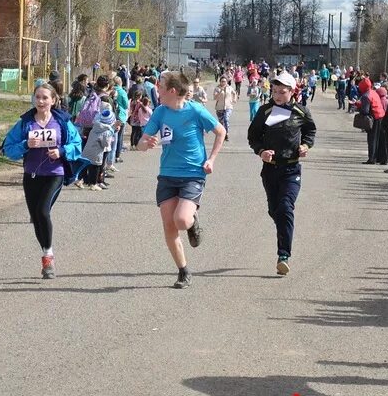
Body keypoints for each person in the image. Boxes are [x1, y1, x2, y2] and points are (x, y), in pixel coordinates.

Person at [138, 72, 226, 289]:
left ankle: (193, 221)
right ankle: (183, 271)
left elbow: (220, 132)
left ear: (172, 91)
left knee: (182, 220)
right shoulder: (160, 112)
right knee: (169, 226)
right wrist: (145, 144)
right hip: (167, 174)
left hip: (193, 174)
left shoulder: (195, 110)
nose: (157, 89)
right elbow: (141, 143)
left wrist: (212, 159)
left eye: (161, 87)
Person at [3, 83, 87, 278]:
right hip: (31, 175)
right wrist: (26, 144)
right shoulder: (25, 123)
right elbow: (9, 148)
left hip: (54, 173)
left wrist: (62, 151)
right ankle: (45, 252)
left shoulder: (62, 122)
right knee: (36, 217)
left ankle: (48, 257)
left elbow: (76, 144)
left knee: (42, 211)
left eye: (45, 98)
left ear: (53, 100)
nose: (40, 101)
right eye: (37, 97)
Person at [246, 70, 316, 275]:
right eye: (275, 91)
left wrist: (305, 145)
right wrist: (261, 151)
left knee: (285, 209)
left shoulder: (301, 112)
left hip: (291, 169)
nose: (277, 95)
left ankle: (283, 255)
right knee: (275, 211)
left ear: (292, 91)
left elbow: (310, 131)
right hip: (270, 170)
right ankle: (285, 228)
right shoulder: (265, 111)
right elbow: (253, 136)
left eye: (282, 92)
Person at [81, 106, 115, 190]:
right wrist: (110, 139)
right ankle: (93, 184)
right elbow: (105, 144)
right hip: (97, 152)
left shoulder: (96, 127)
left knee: (88, 166)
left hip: (88, 149)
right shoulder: (106, 131)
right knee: (95, 168)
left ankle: (84, 180)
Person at [356, 77, 385, 164]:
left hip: (374, 118)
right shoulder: (373, 92)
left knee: (372, 139)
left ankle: (372, 158)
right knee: (379, 139)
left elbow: (365, 111)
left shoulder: (365, 96)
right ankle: (380, 158)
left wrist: (358, 105)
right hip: (381, 116)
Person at [112, 76, 129, 166]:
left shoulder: (110, 90)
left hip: (111, 116)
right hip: (120, 115)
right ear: (120, 82)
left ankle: (111, 156)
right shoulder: (122, 92)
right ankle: (117, 156)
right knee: (119, 137)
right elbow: (126, 105)